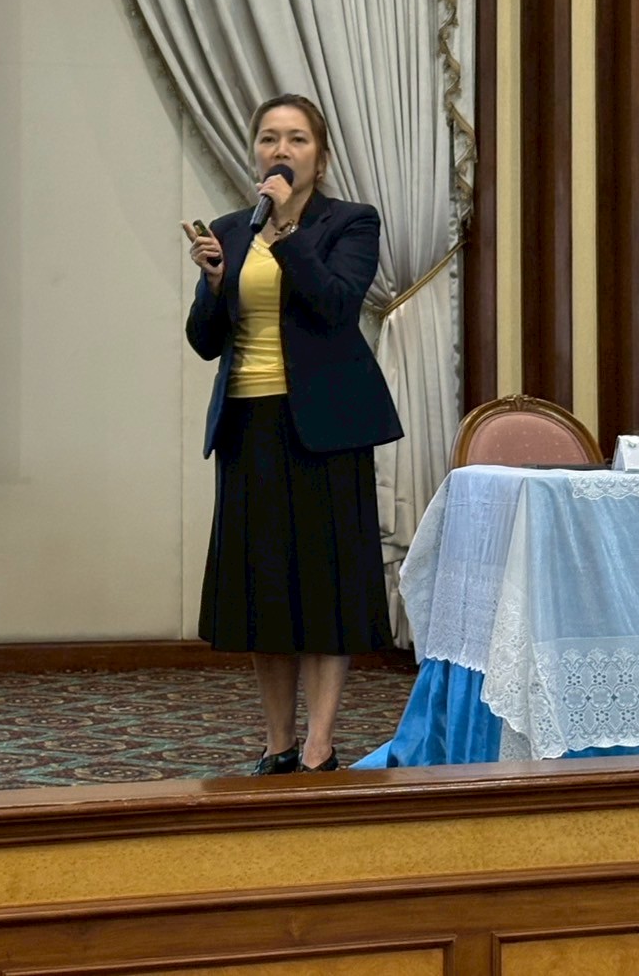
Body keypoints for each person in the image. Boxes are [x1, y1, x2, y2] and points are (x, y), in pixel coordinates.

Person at [182, 94, 403, 774]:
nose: (281, 149)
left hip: (327, 428)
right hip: (248, 425)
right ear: (254, 151)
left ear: (320, 157)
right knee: (264, 590)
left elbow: (335, 306)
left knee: (326, 588)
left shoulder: (350, 223)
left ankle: (319, 745)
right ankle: (278, 741)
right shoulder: (231, 229)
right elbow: (204, 341)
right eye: (269, 138)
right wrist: (213, 283)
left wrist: (285, 232)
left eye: (297, 139)